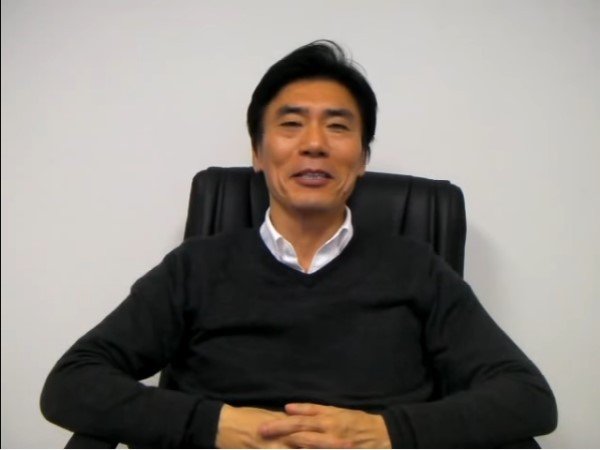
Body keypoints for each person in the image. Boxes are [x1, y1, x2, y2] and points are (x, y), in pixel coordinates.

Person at [41, 40, 557, 448]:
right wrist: (217, 425)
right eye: (291, 124)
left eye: (337, 126)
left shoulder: (416, 269)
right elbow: (72, 383)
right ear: (258, 152)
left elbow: (527, 398)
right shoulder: (194, 268)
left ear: (362, 158)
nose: (314, 144)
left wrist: (386, 433)